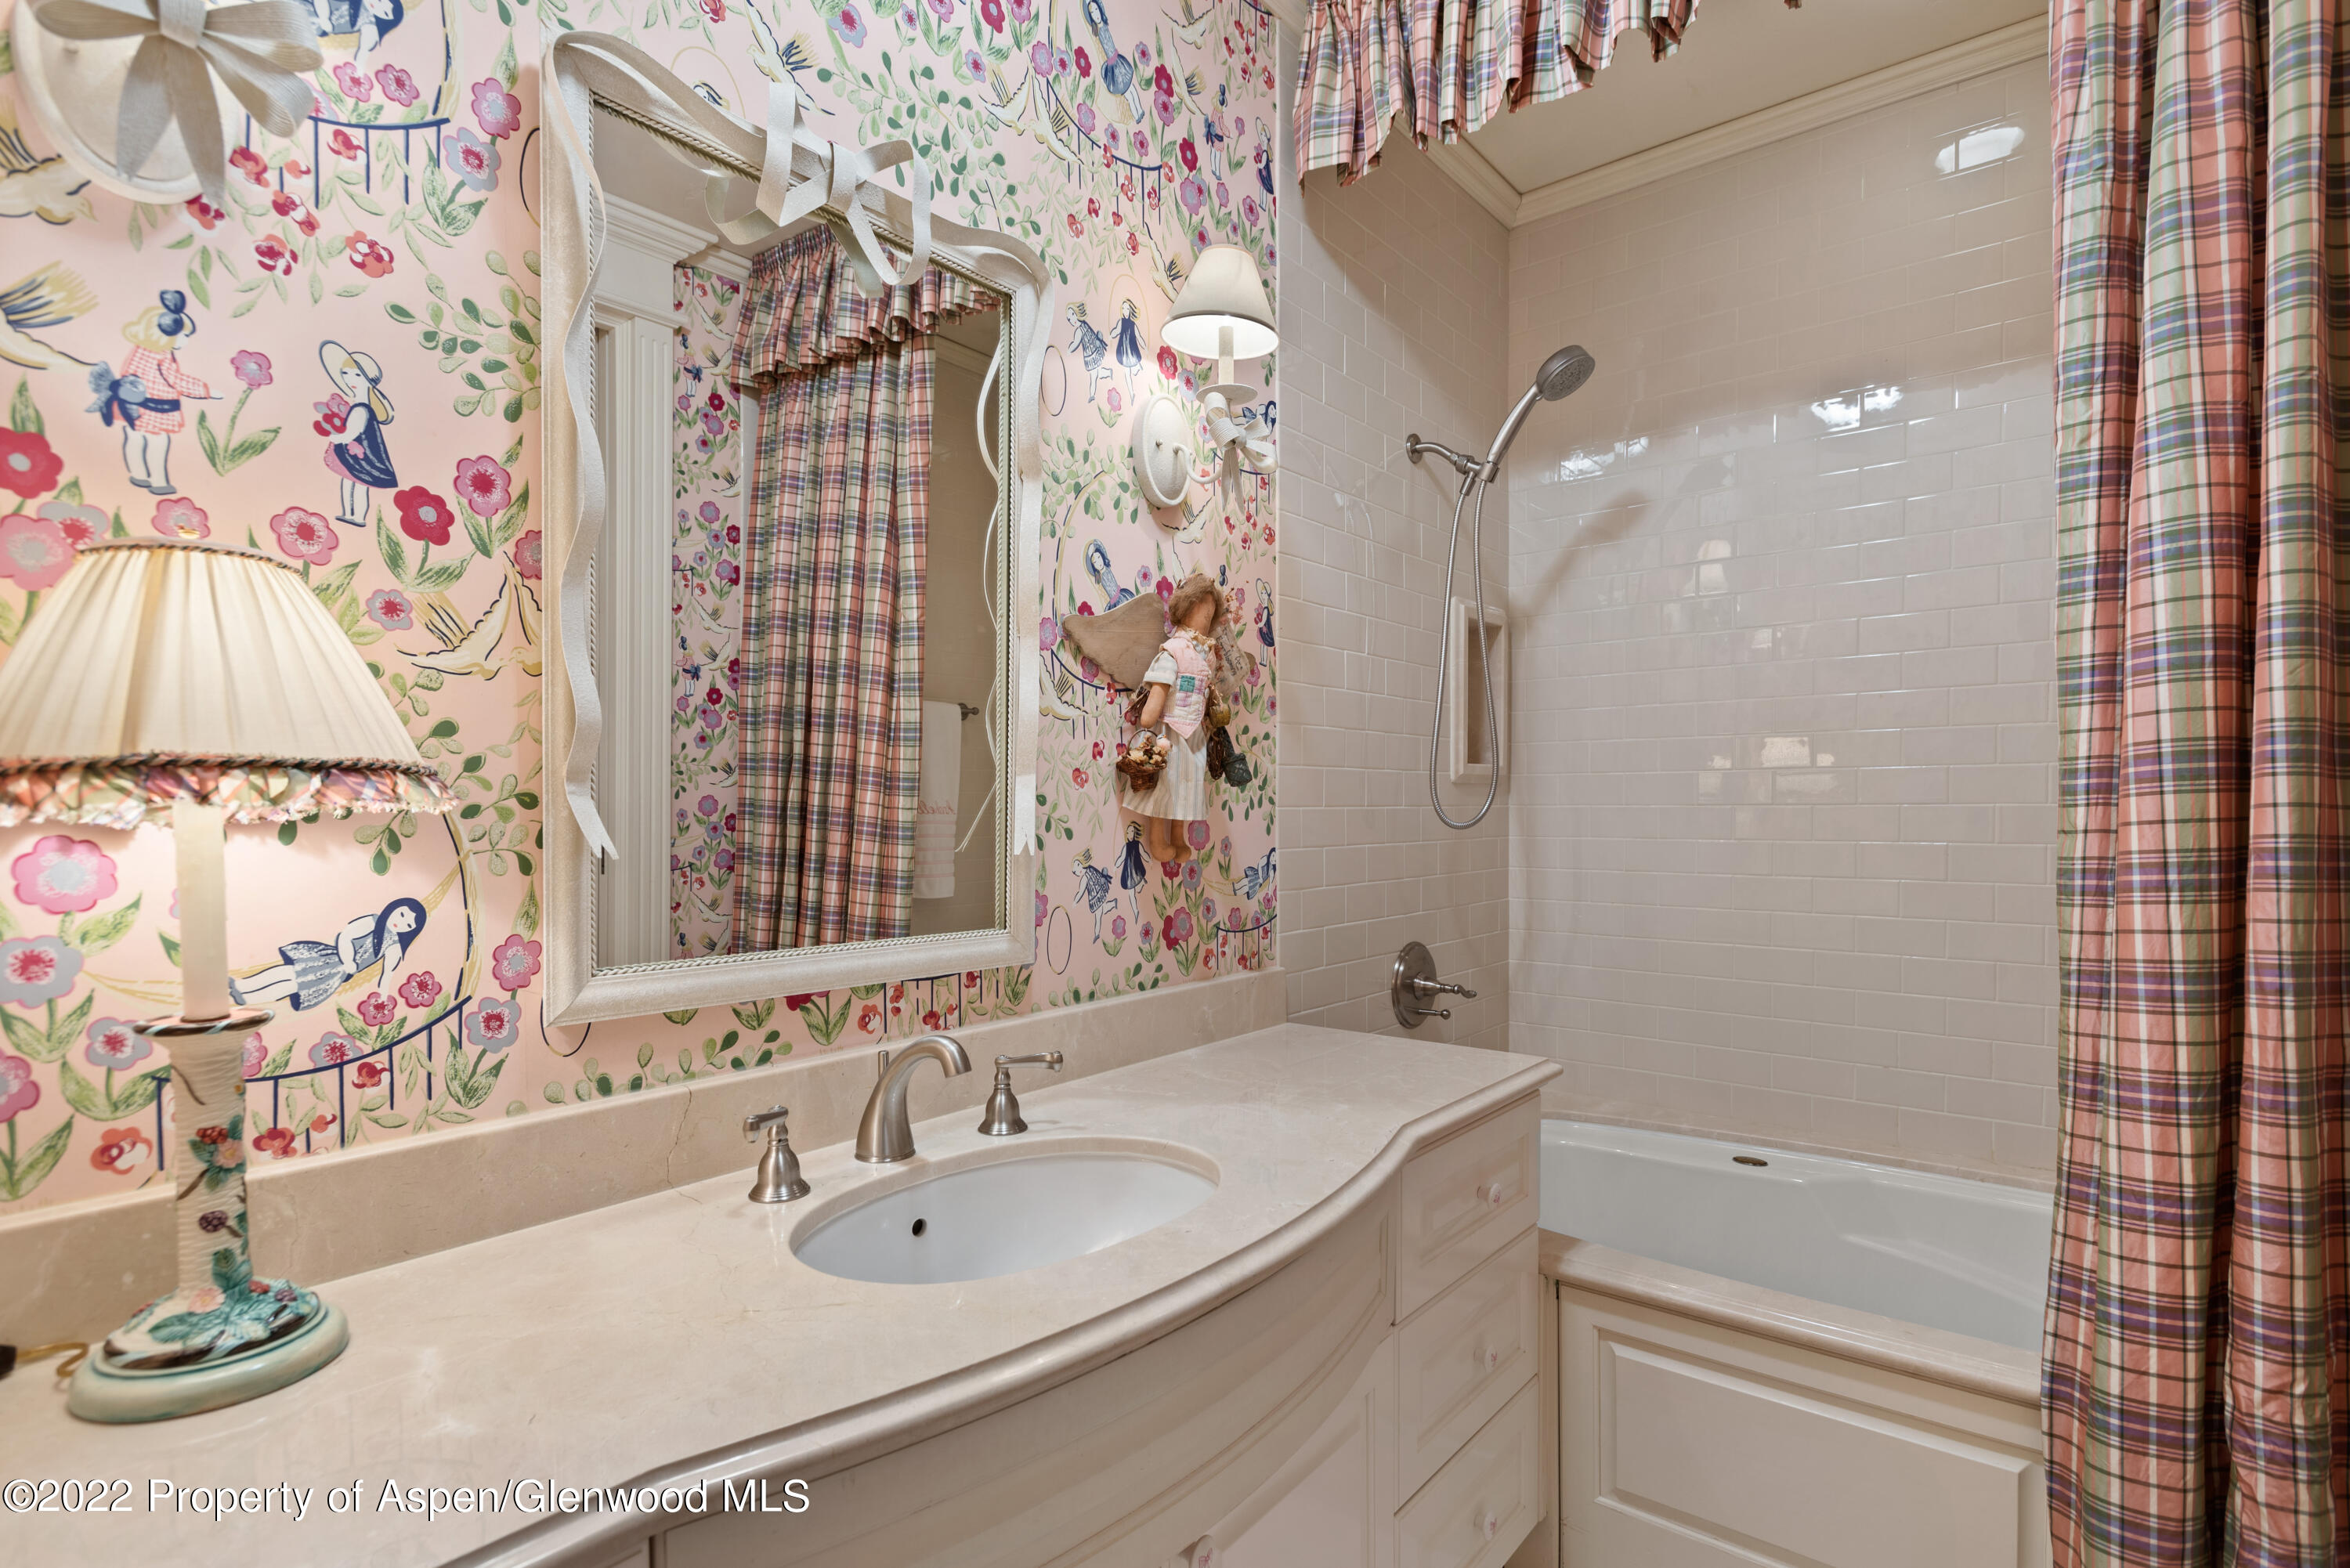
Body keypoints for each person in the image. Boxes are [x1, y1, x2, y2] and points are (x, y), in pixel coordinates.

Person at [1119, 574, 1226, 864]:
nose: (1206, 614)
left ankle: (1178, 837)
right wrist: (1150, 713)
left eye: (1211, 610)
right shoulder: (1174, 650)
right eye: (1202, 606)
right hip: (1170, 733)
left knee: (1187, 788)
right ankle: (1158, 838)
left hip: (1194, 735)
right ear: (1186, 606)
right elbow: (1160, 688)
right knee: (1165, 786)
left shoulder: (1207, 656)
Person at [88, 291, 214, 495]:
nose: (186, 341)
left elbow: (127, 372)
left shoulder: (140, 349)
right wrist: (206, 391)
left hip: (131, 403)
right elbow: (176, 380)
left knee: (134, 436)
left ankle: (138, 475)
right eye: (183, 336)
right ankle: (159, 482)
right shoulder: (163, 356)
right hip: (156, 406)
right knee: (159, 441)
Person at [231, 898, 426, 1012]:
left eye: (408, 925)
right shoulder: (374, 922)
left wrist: (383, 995)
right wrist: (348, 959)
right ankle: (242, 985)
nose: (400, 923)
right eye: (401, 915)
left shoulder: (393, 945)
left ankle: (249, 1000)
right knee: (287, 972)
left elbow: (388, 973)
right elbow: (346, 936)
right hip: (330, 958)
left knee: (293, 986)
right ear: (394, 908)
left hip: (336, 976)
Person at [320, 340, 397, 527]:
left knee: (360, 486)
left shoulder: (361, 409)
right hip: (353, 454)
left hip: (362, 457)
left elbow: (352, 432)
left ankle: (358, 518)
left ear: (368, 380)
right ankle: (348, 514)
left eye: (357, 375)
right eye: (345, 374)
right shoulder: (358, 406)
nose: (350, 379)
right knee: (348, 483)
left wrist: (335, 437)